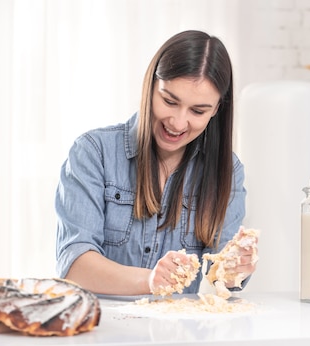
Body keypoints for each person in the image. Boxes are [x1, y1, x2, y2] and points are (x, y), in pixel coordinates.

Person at [55, 30, 257, 296]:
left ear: (217, 109)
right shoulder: (94, 152)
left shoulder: (227, 170)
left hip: (180, 335)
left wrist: (234, 267)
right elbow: (74, 265)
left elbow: (219, 277)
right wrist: (149, 280)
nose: (178, 123)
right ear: (150, 86)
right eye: (169, 101)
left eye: (198, 111)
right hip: (105, 331)